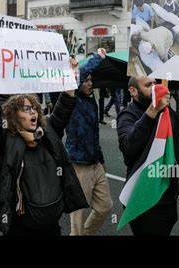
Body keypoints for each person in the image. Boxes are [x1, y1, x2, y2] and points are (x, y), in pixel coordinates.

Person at [0, 58, 88, 236]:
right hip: (21, 228)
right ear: (13, 116)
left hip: (51, 225)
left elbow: (65, 105)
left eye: (34, 109)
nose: (32, 112)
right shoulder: (4, 142)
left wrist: (72, 73)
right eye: (25, 109)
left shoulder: (48, 133)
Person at [117, 76, 179, 235]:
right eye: (148, 85)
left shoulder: (166, 111)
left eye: (154, 83)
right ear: (133, 91)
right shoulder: (128, 114)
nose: (154, 87)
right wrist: (152, 111)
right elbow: (128, 147)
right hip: (144, 196)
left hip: (169, 194)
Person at [65, 48, 113, 235]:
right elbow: (78, 76)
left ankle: (85, 233)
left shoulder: (90, 100)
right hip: (79, 163)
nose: (90, 83)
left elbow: (94, 133)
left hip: (94, 161)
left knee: (105, 206)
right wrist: (98, 56)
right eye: (87, 81)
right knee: (78, 213)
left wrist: (100, 159)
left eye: (92, 80)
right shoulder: (73, 98)